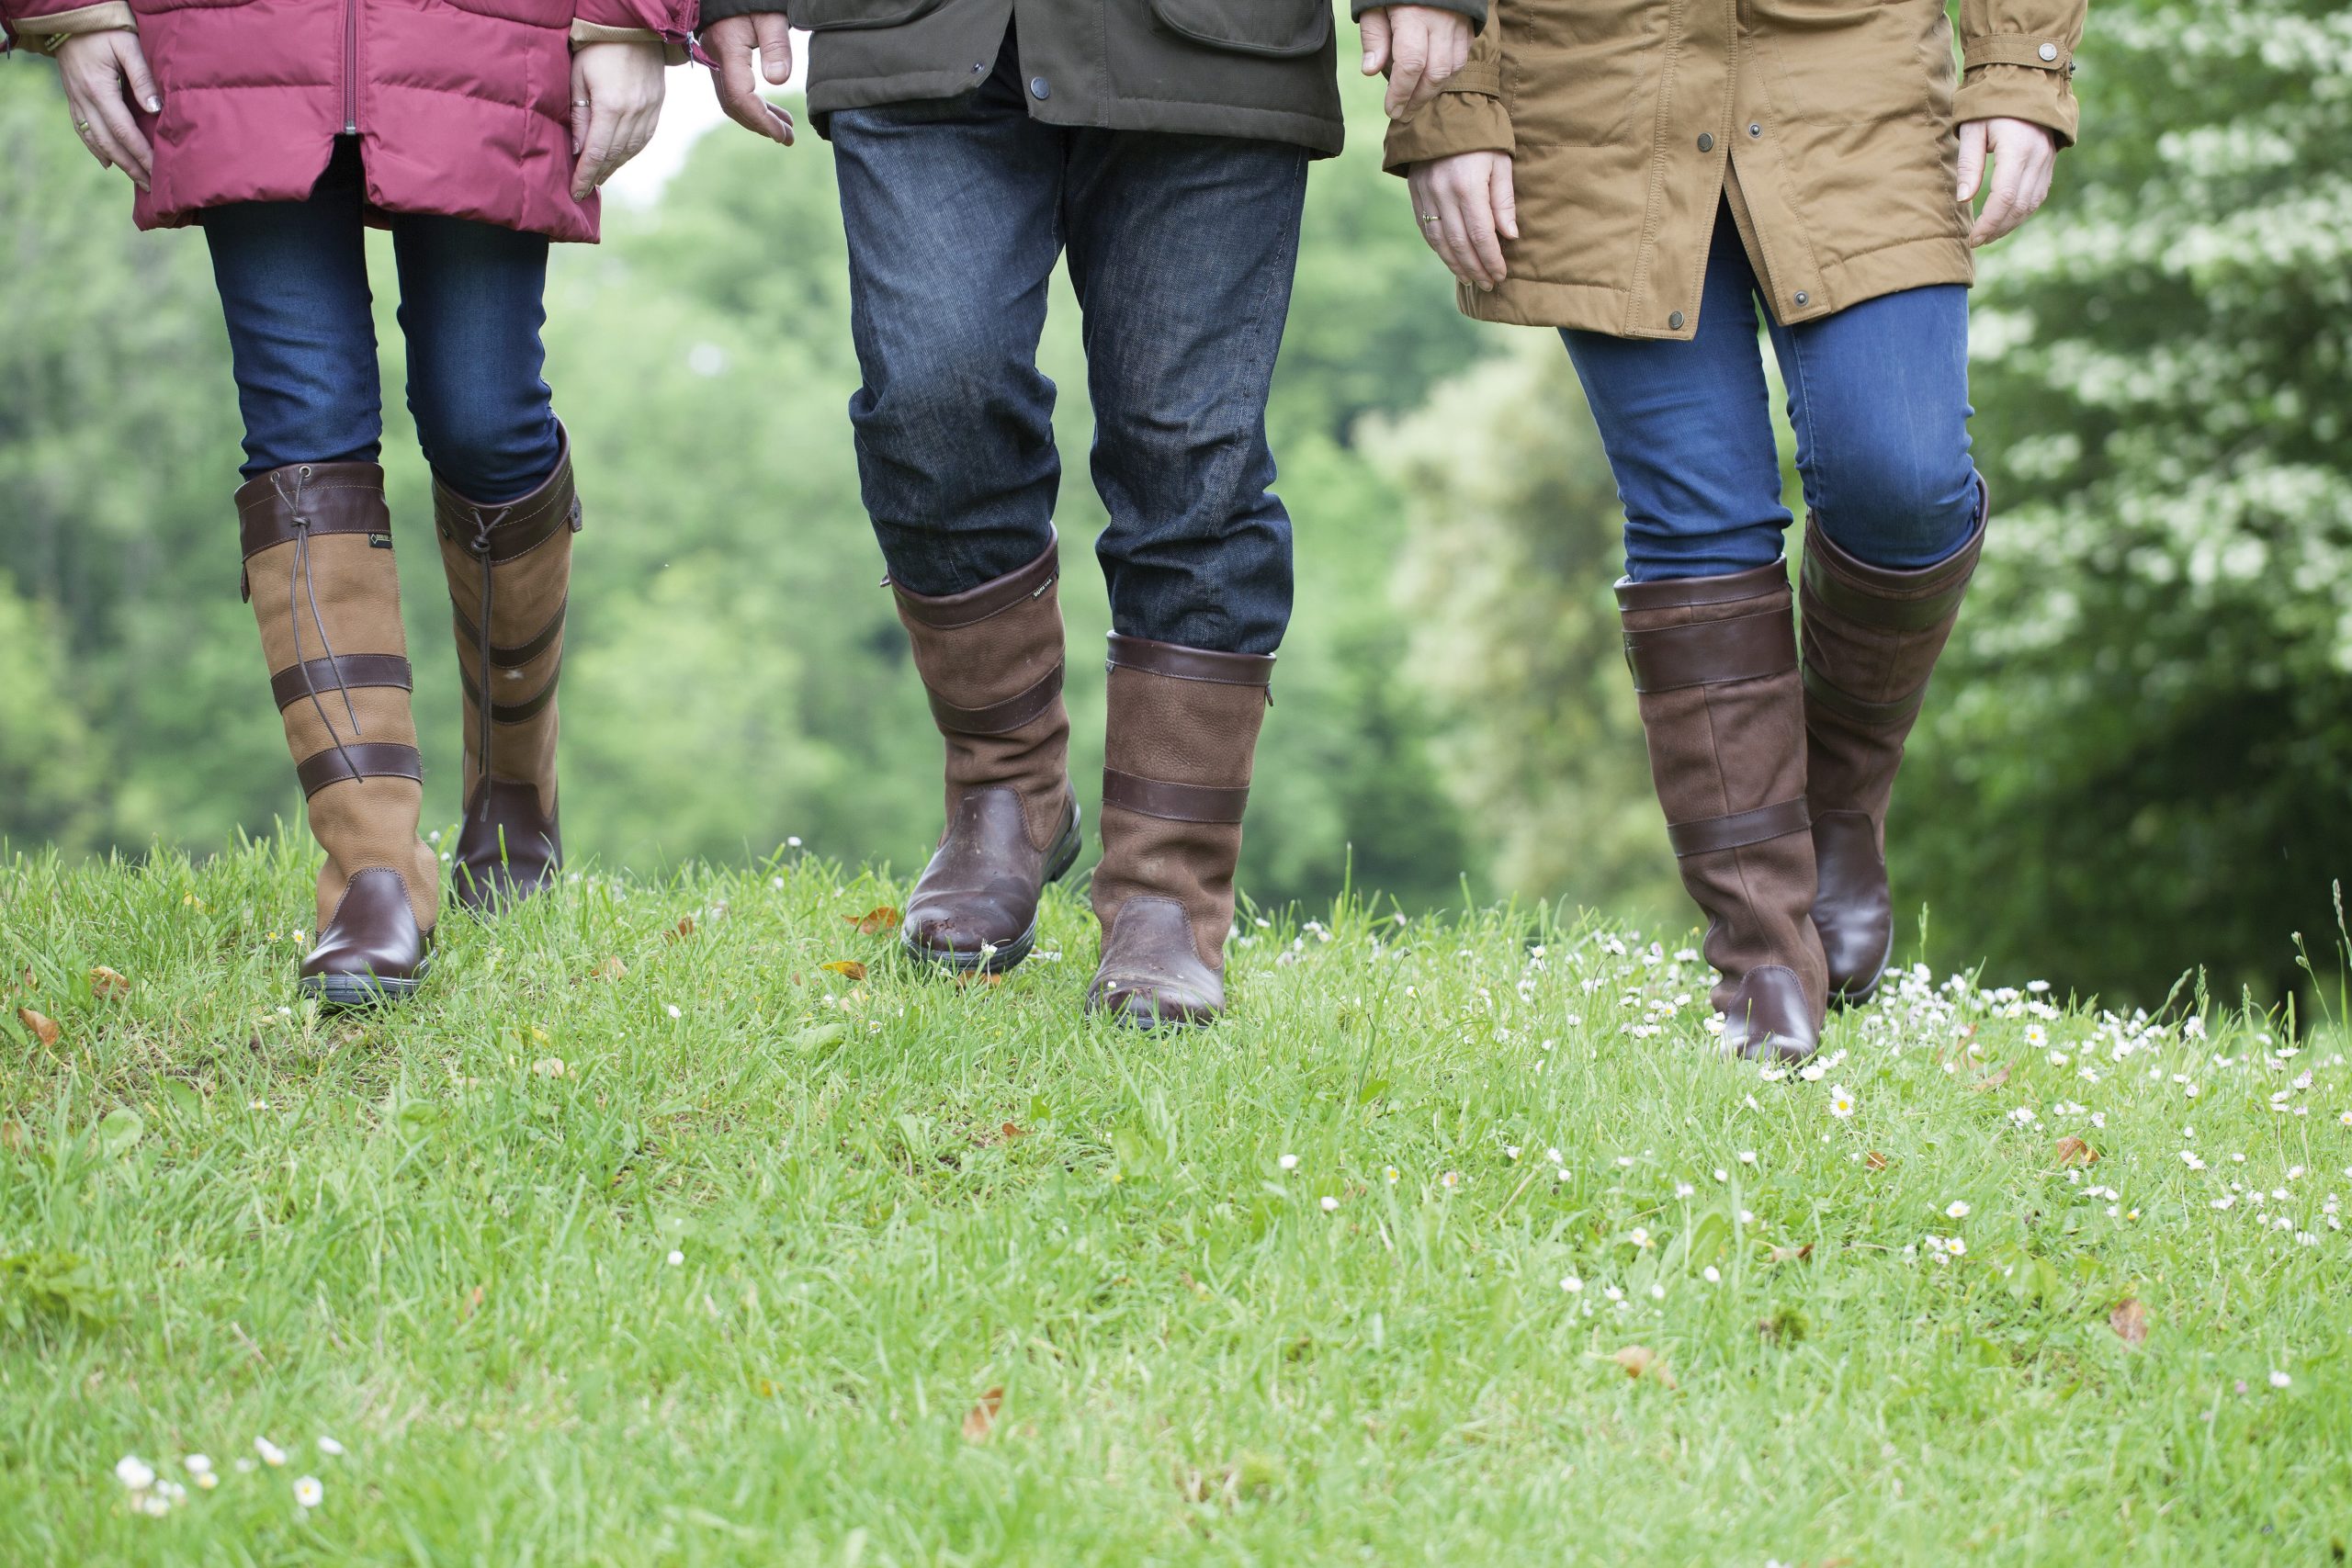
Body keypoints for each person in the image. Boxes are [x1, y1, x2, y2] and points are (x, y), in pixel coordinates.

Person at [698, 0, 1483, 1025]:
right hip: (925, 34)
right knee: (932, 397)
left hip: (1213, 51)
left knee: (1190, 454)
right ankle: (1005, 793)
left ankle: (1167, 893)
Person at [1385, 0, 2086, 1061]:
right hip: (1595, 84)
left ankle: (1837, 811)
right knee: (1695, 522)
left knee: (1905, 482)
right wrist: (1455, 101)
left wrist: (2017, 67)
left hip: (1855, 79)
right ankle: (1760, 956)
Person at [2, 0, 693, 1005]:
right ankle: (374, 874)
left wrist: (633, 17)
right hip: (243, 32)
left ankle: (511, 798)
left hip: (485, 30)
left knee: (484, 418)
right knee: (300, 423)